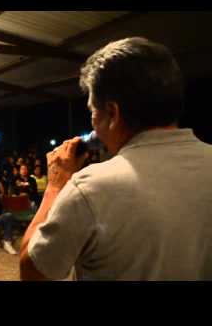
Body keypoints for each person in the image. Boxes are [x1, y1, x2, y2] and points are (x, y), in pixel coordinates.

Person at [20, 37, 212, 281]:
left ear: (112, 113)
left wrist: (56, 185)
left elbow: (32, 272)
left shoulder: (90, 187)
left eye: (92, 112)